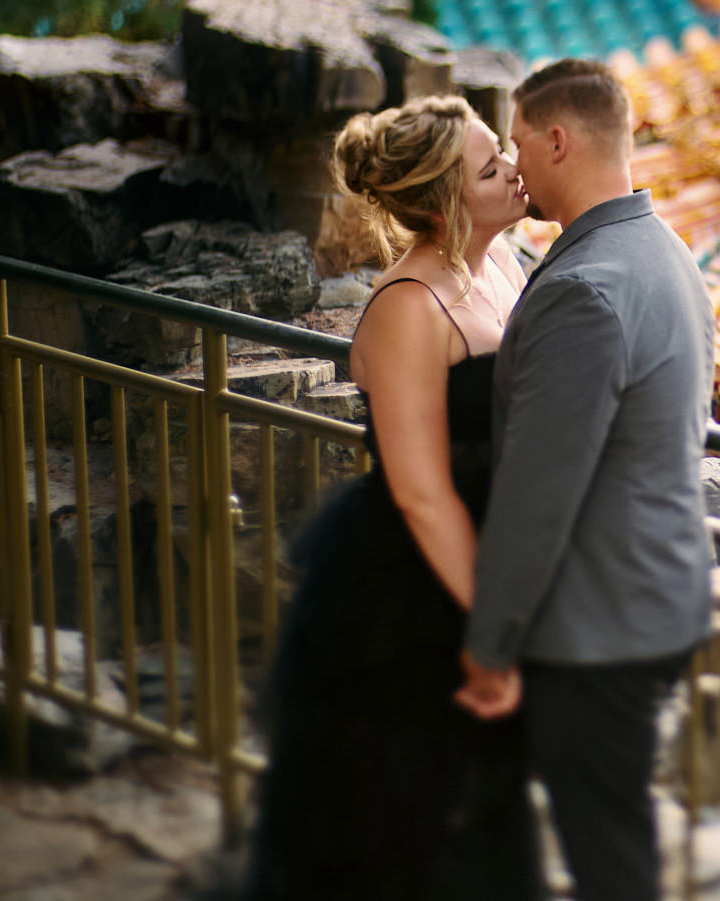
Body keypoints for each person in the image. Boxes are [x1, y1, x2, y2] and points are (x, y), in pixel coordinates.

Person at [247, 95, 545, 901]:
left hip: (494, 550)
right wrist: (494, 627)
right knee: (403, 811)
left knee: (485, 805)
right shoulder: (408, 308)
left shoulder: (504, 266)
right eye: (491, 167)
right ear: (446, 202)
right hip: (418, 582)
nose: (515, 169)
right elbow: (419, 489)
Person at [455, 59, 716, 901]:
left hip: (601, 624)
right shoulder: (666, 252)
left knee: (607, 852)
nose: (515, 161)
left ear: (558, 139)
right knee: (612, 831)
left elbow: (540, 492)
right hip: (659, 593)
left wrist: (491, 642)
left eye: (520, 141)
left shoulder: (582, 289)